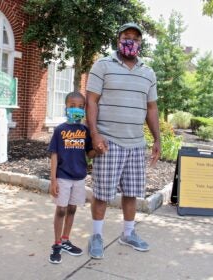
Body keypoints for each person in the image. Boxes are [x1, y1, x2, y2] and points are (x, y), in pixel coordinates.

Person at [86, 22, 161, 259]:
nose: (131, 40)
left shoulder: (148, 72)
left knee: (131, 193)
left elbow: (151, 108)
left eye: (135, 38)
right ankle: (96, 236)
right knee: (102, 194)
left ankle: (128, 234)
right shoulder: (103, 65)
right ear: (118, 39)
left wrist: (157, 139)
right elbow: (91, 101)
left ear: (140, 43)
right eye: (126, 36)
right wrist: (95, 134)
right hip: (108, 142)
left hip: (136, 144)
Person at [48, 91, 96, 264]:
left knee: (72, 208)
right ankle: (56, 244)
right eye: (72, 106)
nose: (76, 109)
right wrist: (53, 180)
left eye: (81, 107)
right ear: (66, 108)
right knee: (61, 209)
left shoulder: (85, 131)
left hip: (79, 177)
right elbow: (53, 155)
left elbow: (89, 153)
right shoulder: (60, 130)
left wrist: (98, 149)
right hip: (62, 176)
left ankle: (66, 239)